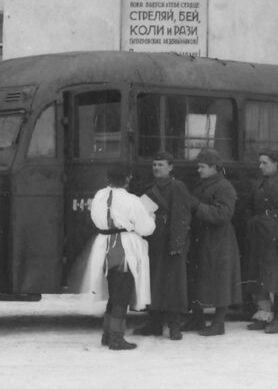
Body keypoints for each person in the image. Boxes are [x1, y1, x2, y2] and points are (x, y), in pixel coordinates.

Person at [84, 163, 155, 351]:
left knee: (114, 293)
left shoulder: (99, 196)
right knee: (122, 293)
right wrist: (151, 218)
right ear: (128, 178)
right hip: (124, 248)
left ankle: (107, 335)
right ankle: (116, 337)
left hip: (103, 245)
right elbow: (146, 228)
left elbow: (94, 217)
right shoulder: (132, 200)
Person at [134, 151, 192, 341]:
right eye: (154, 165)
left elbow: (181, 217)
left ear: (171, 167)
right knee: (154, 281)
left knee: (174, 284)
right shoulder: (150, 187)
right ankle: (154, 323)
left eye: (161, 164)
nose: (157, 168)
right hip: (153, 240)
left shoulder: (178, 187)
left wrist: (177, 243)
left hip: (171, 240)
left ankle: (175, 326)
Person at [243, 149, 278, 335]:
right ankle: (263, 315)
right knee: (259, 277)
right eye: (260, 162)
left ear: (276, 164)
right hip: (259, 236)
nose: (260, 166)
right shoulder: (260, 183)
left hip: (276, 238)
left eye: (264, 163)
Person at [187, 148, 242, 337]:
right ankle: (198, 318)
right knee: (200, 278)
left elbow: (223, 214)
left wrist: (197, 206)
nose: (199, 170)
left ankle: (218, 324)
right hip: (206, 237)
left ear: (214, 168)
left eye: (202, 167)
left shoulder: (224, 187)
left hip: (219, 239)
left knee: (220, 281)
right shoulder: (206, 184)